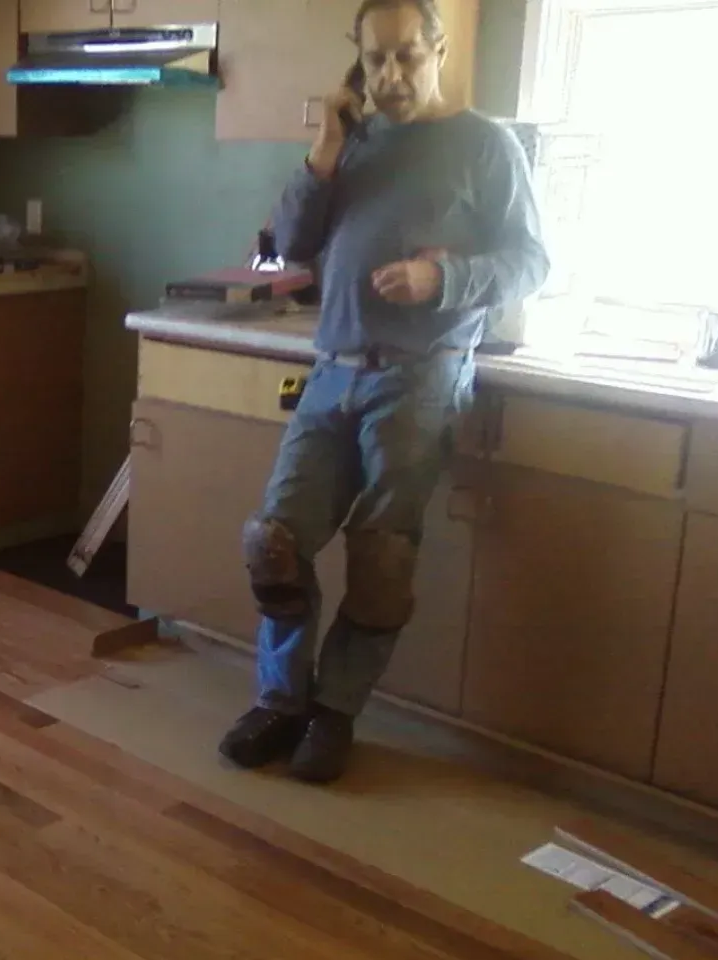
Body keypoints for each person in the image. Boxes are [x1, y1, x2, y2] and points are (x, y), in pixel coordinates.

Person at [218, 0, 549, 783]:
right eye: (375, 59)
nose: (391, 74)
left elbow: (531, 262)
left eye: (407, 55)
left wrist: (444, 280)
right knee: (274, 543)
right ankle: (281, 702)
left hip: (419, 377)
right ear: (357, 63)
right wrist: (325, 150)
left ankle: (333, 713)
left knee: (380, 559)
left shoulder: (486, 146)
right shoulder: (354, 142)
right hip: (332, 369)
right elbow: (288, 247)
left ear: (438, 51)